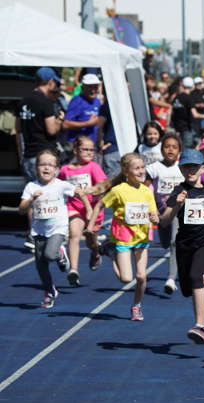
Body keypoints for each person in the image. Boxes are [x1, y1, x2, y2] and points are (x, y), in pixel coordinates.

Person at [160, 148, 204, 344]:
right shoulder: (178, 191)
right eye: (186, 168)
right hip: (185, 243)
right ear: (181, 170)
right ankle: (203, 287)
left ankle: (200, 327)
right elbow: (165, 221)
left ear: (202, 168)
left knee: (195, 276)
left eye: (194, 167)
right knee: (186, 289)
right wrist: (176, 205)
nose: (190, 171)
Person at [88, 153, 159, 321]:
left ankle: (137, 305)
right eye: (137, 168)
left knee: (141, 276)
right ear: (126, 172)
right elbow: (99, 205)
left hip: (141, 238)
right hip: (123, 238)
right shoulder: (118, 191)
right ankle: (111, 253)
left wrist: (155, 217)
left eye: (143, 168)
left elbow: (153, 212)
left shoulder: (147, 191)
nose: (141, 171)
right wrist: (91, 225)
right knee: (126, 278)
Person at [19, 150, 89, 308]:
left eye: (50, 165)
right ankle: (50, 291)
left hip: (58, 228)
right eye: (42, 164)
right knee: (41, 266)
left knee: (50, 254)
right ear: (36, 167)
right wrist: (31, 199)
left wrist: (88, 208)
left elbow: (78, 191)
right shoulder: (31, 187)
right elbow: (21, 209)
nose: (46, 168)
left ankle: (60, 254)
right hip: (39, 232)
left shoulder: (61, 185)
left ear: (57, 169)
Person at [58, 136, 106, 286]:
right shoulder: (65, 170)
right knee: (74, 235)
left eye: (92, 150)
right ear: (75, 150)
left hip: (93, 209)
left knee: (91, 240)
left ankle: (95, 252)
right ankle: (74, 270)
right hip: (74, 208)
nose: (89, 152)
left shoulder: (93, 167)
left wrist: (93, 190)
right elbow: (58, 186)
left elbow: (102, 185)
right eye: (85, 149)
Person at [145, 132, 184, 293]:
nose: (170, 150)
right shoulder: (155, 168)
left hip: (177, 210)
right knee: (165, 243)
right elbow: (145, 187)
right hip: (160, 212)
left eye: (174, 147)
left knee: (175, 243)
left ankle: (171, 279)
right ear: (161, 150)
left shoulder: (183, 167)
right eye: (167, 146)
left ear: (179, 151)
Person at [16, 67, 62, 185]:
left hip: (28, 156)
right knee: (47, 195)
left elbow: (18, 130)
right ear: (50, 81)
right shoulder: (45, 102)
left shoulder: (23, 100)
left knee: (32, 193)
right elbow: (52, 130)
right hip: (45, 157)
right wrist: (60, 120)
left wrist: (21, 154)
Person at [62, 73, 102, 145]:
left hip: (92, 146)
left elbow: (98, 124)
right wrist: (87, 123)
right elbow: (65, 124)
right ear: (83, 87)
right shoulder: (77, 101)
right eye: (90, 87)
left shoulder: (97, 101)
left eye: (95, 87)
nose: (93, 91)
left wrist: (100, 141)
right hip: (76, 146)